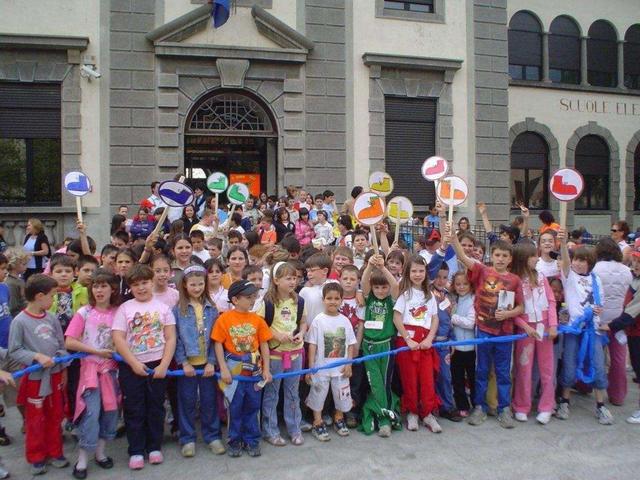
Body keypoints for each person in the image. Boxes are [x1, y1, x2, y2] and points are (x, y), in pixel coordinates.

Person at [448, 223, 524, 429]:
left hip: (504, 335)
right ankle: (479, 407)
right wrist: (453, 237)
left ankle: (503, 409)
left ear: (510, 259)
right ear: (492, 255)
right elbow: (464, 258)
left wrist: (508, 313)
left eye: (504, 256)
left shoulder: (515, 281)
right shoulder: (482, 270)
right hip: (483, 332)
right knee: (481, 370)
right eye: (497, 255)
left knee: (502, 372)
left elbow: (520, 307)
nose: (500, 259)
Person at [112, 264, 176, 470]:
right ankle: (136, 450)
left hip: (157, 364)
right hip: (132, 365)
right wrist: (132, 362)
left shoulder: (163, 308)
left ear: (152, 282)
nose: (141, 288)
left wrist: (164, 364)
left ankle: (154, 446)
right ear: (130, 287)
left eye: (145, 283)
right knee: (134, 408)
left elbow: (170, 337)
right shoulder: (125, 308)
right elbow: (118, 338)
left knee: (156, 407)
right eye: (136, 284)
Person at [8, 274, 68, 475]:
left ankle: (55, 451)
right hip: (35, 379)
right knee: (35, 419)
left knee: (55, 416)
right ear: (40, 296)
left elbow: (61, 345)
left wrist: (62, 363)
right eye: (52, 296)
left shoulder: (52, 319)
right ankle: (36, 456)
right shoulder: (20, 322)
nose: (54, 300)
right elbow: (14, 350)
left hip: (56, 376)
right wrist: (36, 357)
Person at [64, 269, 121, 479]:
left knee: (111, 411)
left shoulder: (119, 312)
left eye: (103, 286)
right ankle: (82, 459)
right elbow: (70, 340)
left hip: (112, 372)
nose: (99, 290)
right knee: (90, 413)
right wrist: (97, 352)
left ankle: (101, 452)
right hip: (90, 372)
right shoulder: (84, 312)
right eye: (95, 286)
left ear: (112, 289)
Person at [556, 229, 613, 425]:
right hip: (574, 329)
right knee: (570, 365)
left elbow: (601, 302)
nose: (577, 263)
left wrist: (598, 310)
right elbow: (564, 261)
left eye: (582, 260)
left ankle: (600, 405)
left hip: (593, 330)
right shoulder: (569, 276)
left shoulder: (596, 279)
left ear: (590, 263)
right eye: (576, 259)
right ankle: (564, 400)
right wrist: (563, 244)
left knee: (597, 365)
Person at [212, 280, 272, 458]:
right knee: (235, 407)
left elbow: (264, 345)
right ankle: (234, 440)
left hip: (254, 371)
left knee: (253, 407)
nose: (252, 300)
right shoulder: (224, 319)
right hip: (234, 371)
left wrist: (266, 369)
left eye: (254, 296)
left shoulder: (257, 320)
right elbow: (217, 344)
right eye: (248, 297)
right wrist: (223, 368)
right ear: (235, 299)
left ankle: (252, 440)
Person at [173, 264, 225, 457]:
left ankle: (212, 436)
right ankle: (187, 438)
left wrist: (212, 361)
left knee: (209, 400)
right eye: (192, 284)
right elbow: (176, 338)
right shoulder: (178, 310)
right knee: (186, 401)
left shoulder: (212, 309)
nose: (196, 288)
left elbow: (215, 337)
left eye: (200, 284)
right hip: (187, 365)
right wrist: (183, 362)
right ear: (185, 286)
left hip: (208, 364)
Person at [257, 262, 307, 446]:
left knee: (293, 393)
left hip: (295, 354)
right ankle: (270, 430)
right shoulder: (268, 302)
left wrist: (301, 334)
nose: (292, 281)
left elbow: (303, 322)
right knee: (272, 393)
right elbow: (261, 326)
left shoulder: (299, 301)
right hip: (275, 355)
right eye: (288, 278)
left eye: (294, 278)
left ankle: (294, 428)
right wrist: (276, 335)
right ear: (276, 280)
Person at [392, 254, 442, 433]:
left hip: (425, 341)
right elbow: (397, 317)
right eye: (414, 271)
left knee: (427, 378)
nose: (418, 274)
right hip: (407, 341)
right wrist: (407, 338)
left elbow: (435, 319)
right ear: (408, 272)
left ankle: (428, 413)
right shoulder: (405, 294)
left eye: (421, 271)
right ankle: (412, 411)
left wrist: (429, 339)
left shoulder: (430, 295)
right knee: (409, 378)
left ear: (426, 272)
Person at [510, 242, 558, 425]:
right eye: (533, 255)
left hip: (544, 327)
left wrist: (553, 325)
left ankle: (547, 406)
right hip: (526, 330)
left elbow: (552, 301)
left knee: (547, 369)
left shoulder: (542, 277)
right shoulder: (514, 281)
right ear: (524, 258)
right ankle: (521, 405)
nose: (537, 258)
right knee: (524, 369)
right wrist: (525, 327)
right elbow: (512, 310)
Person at [305, 283, 357, 441]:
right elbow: (312, 345)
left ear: (341, 300)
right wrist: (311, 368)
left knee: (342, 395)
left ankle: (339, 418)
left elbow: (350, 345)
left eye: (336, 298)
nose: (333, 301)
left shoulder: (345, 321)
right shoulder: (318, 321)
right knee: (318, 394)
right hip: (321, 368)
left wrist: (349, 364)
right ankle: (317, 421)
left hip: (341, 369)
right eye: (329, 298)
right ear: (323, 300)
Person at [358, 254, 401, 436]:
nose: (381, 291)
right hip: (369, 345)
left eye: (384, 287)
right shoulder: (369, 299)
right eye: (377, 287)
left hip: (386, 346)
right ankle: (379, 413)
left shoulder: (391, 301)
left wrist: (383, 268)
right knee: (373, 382)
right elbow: (364, 284)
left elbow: (396, 286)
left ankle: (386, 418)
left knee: (384, 382)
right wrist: (369, 265)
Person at [592, 238, 632, 406]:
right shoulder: (626, 271)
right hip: (619, 320)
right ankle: (618, 395)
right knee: (618, 359)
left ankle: (586, 385)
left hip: (599, 319)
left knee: (594, 356)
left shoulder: (595, 269)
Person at [431, 263, 462, 422]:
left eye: (444, 277)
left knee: (445, 376)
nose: (441, 280)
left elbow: (450, 322)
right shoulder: (426, 295)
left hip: (444, 344)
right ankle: (430, 406)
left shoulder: (448, 297)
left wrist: (453, 341)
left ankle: (447, 406)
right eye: (438, 276)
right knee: (429, 377)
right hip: (428, 343)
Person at [450, 272, 476, 416]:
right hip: (456, 348)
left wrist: (453, 318)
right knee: (457, 378)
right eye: (458, 284)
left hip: (471, 347)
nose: (461, 287)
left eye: (465, 284)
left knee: (473, 377)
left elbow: (471, 323)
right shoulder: (453, 300)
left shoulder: (473, 300)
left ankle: (476, 402)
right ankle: (462, 405)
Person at [299, 253, 333, 326]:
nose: (309, 274)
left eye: (312, 270)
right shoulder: (305, 291)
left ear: (325, 271)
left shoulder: (334, 285)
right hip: (309, 332)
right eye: (307, 271)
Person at [2, 247, 29, 317]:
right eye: (24, 264)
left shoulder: (18, 279)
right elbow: (13, 307)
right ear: (14, 265)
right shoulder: (11, 283)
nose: (26, 266)